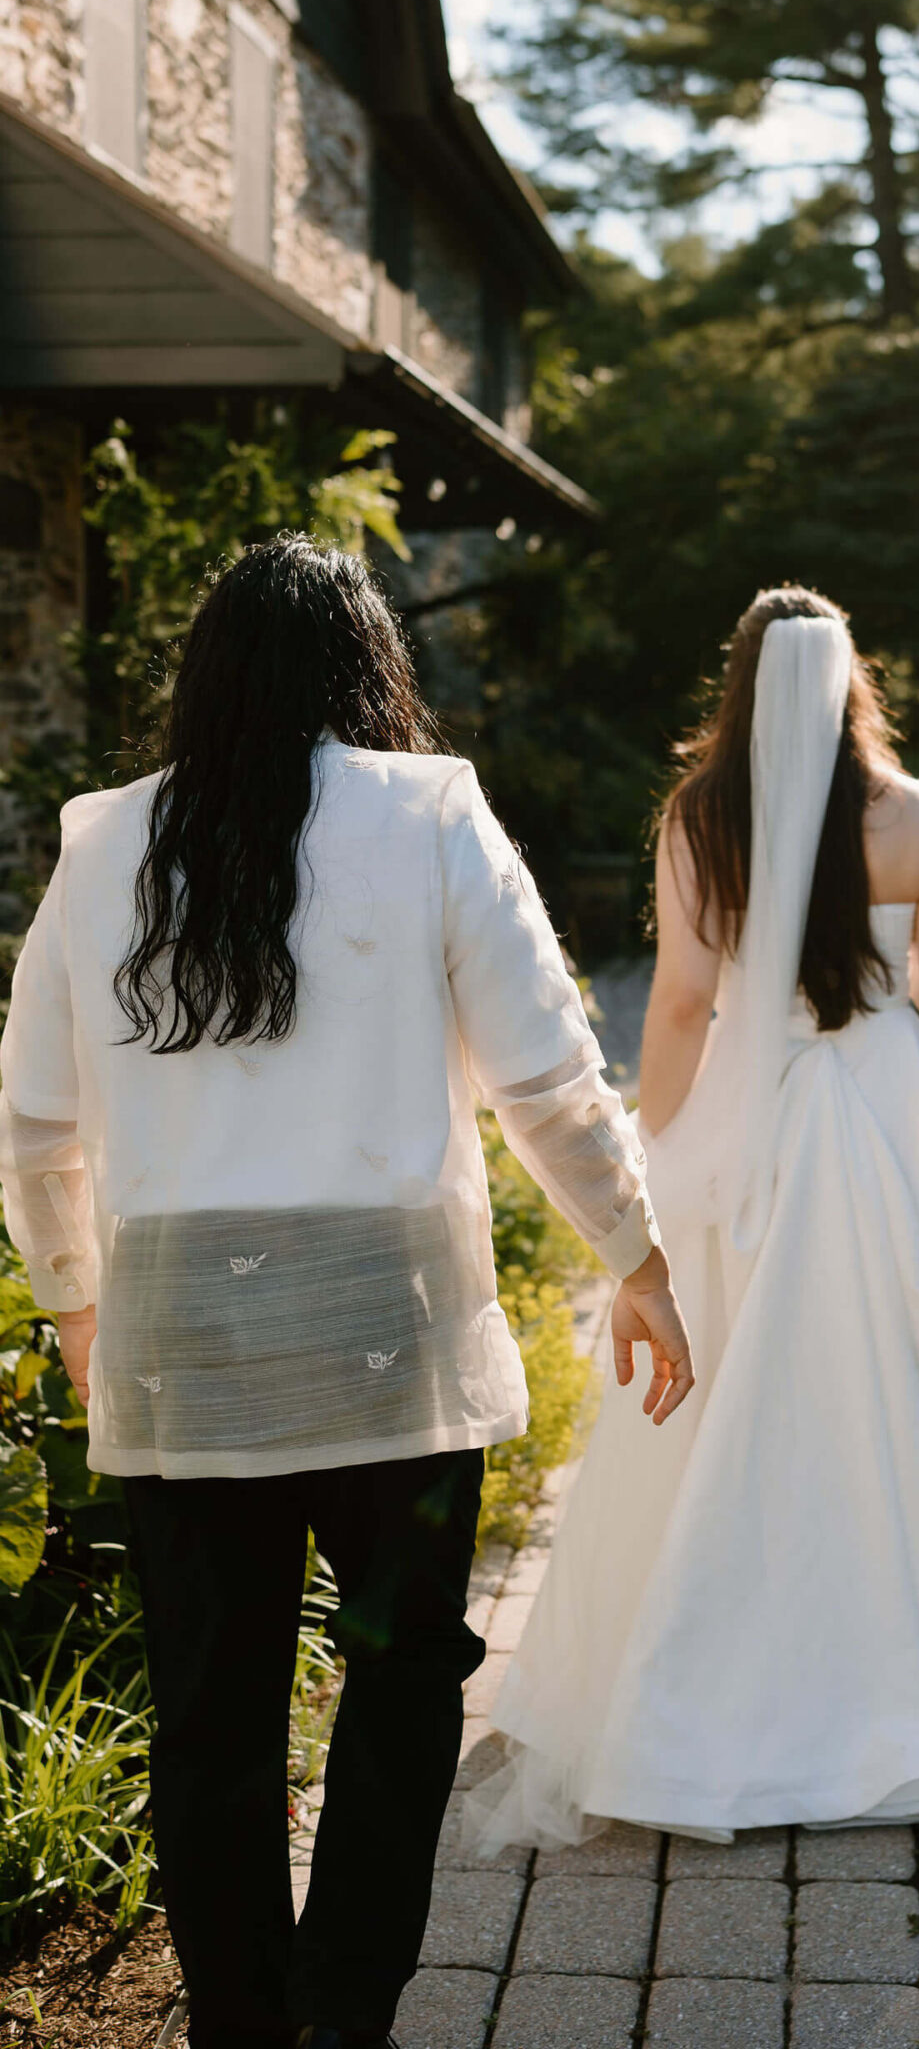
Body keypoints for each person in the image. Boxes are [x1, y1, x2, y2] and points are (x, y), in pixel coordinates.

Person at [0, 536, 693, 2049]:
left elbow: (35, 1122)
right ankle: (343, 2005)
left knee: (213, 1707)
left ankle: (239, 2022)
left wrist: (77, 1312)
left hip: (183, 1347)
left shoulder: (104, 840)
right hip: (392, 1344)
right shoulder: (428, 812)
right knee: (401, 1677)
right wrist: (634, 1263)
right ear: (366, 668)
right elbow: (550, 1077)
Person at [469, 585, 919, 1853]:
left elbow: (685, 1003)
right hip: (892, 1120)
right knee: (915, 1380)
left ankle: (701, 1692)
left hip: (762, 1119)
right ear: (855, 679)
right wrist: (912, 937)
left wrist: (662, 1147)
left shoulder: (700, 819)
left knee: (741, 1390)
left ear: (737, 682)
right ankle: (912, 1693)